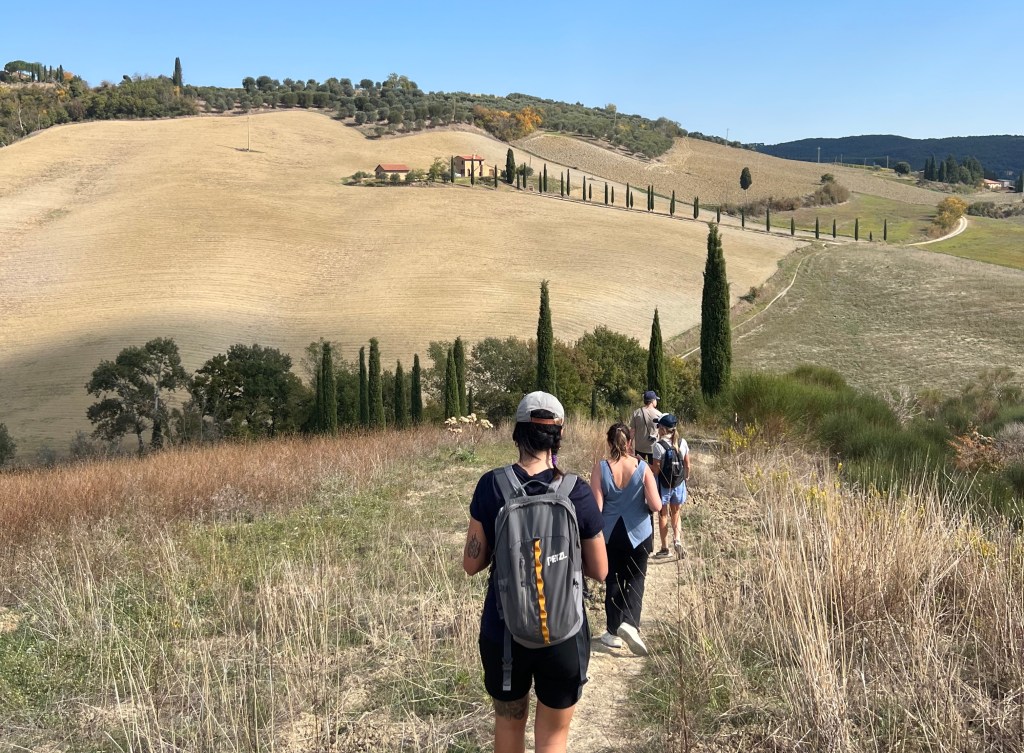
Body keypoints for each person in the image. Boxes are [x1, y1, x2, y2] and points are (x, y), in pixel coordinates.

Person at [463, 391, 608, 753]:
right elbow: (600, 570)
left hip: (504, 636)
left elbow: (471, 563)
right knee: (553, 738)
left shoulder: (491, 486)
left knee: (509, 729)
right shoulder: (577, 492)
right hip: (563, 633)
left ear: (517, 433)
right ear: (558, 436)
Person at [589, 423, 662, 656]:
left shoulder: (601, 468)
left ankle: (612, 632)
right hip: (639, 533)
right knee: (636, 579)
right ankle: (630, 623)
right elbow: (656, 505)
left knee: (613, 580)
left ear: (609, 443)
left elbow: (596, 508)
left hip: (610, 534)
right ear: (629, 443)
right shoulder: (642, 467)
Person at [650, 414, 691, 560]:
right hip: (678, 483)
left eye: (658, 426)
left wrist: (642, 462)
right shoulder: (682, 442)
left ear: (662, 429)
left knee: (663, 514)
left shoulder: (658, 446)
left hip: (664, 485)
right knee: (676, 512)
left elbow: (655, 470)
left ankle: (665, 548)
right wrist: (685, 477)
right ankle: (677, 540)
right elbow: (687, 464)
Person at [629, 390, 663, 463]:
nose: (656, 402)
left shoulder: (637, 413)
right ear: (652, 401)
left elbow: (632, 431)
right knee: (653, 470)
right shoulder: (659, 414)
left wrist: (629, 444)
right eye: (656, 400)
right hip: (654, 447)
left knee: (639, 468)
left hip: (639, 447)